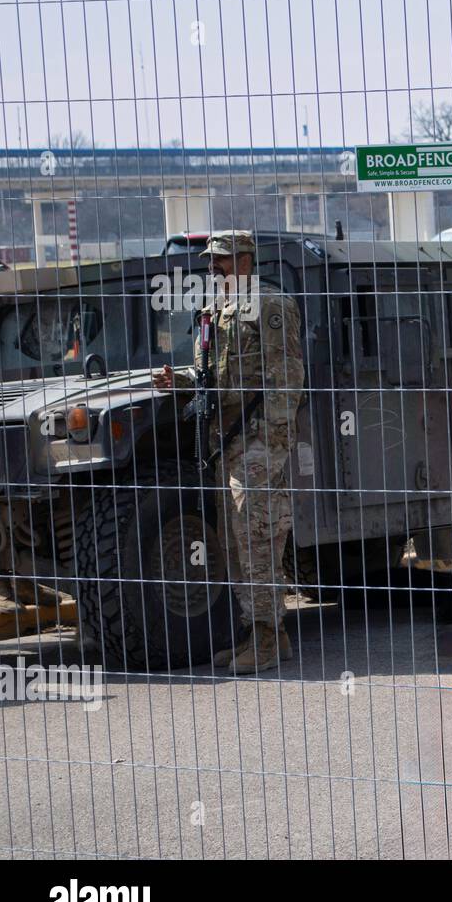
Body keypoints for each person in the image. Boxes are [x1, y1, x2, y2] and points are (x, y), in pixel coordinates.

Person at [153, 230, 305, 672]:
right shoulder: (213, 311)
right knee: (237, 544)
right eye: (211, 260)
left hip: (257, 442)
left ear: (245, 259)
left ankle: (267, 637)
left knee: (259, 539)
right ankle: (261, 635)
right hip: (227, 442)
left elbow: (287, 376)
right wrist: (180, 383)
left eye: (221, 259)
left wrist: (272, 442)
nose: (213, 266)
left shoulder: (270, 305)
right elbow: (212, 378)